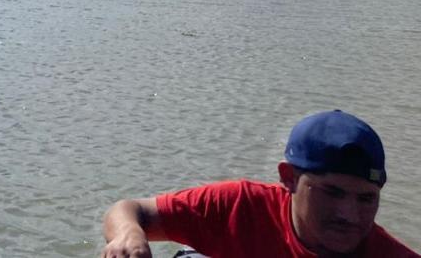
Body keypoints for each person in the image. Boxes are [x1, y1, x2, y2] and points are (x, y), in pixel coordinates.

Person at [101, 110, 418, 258]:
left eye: (366, 199)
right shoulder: (239, 205)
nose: (349, 214)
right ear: (288, 178)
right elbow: (130, 209)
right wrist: (129, 235)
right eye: (332, 192)